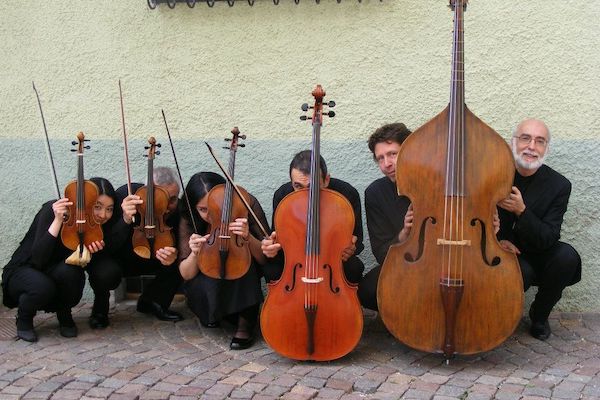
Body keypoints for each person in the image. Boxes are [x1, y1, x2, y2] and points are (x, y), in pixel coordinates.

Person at [2, 177, 127, 341]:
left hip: (55, 270)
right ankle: (24, 319)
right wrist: (58, 220)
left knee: (72, 273)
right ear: (86, 202)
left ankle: (64, 312)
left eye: (109, 209)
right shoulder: (54, 210)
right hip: (26, 269)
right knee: (42, 287)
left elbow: (100, 256)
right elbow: (38, 259)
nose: (103, 214)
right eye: (97, 207)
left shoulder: (92, 225)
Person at [497, 118, 581, 340]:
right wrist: (498, 241)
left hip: (538, 249)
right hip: (504, 252)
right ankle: (500, 317)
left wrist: (522, 211)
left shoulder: (559, 185)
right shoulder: (494, 174)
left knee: (567, 257)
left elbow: (549, 236)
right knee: (520, 271)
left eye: (540, 141)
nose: (532, 146)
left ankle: (540, 315)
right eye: (525, 138)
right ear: (513, 143)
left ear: (546, 148)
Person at [178, 172, 269, 350]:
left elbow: (265, 259)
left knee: (245, 264)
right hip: (207, 275)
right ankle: (215, 313)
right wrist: (195, 253)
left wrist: (247, 237)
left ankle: (245, 324)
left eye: (214, 207)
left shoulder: (243, 203)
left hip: (243, 272)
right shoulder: (189, 216)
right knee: (204, 280)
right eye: (203, 210)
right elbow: (186, 273)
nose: (210, 216)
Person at [261, 150, 364, 285]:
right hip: (295, 259)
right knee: (271, 269)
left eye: (313, 187)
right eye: (298, 186)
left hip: (332, 258)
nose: (306, 194)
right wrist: (271, 247)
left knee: (354, 268)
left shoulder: (346, 194)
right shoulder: (283, 195)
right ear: (291, 182)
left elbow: (357, 239)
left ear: (326, 180)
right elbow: (278, 238)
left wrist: (351, 248)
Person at [115, 167, 184, 322]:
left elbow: (184, 243)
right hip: (126, 258)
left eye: (172, 199)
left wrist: (175, 254)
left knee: (181, 259)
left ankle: (155, 301)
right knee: (106, 269)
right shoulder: (128, 196)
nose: (167, 207)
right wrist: (125, 219)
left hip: (157, 259)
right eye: (161, 198)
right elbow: (110, 243)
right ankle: (100, 309)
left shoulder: (179, 209)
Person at [358, 123, 413, 311]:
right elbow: (381, 253)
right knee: (368, 290)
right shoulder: (375, 193)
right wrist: (404, 233)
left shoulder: (436, 179)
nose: (386, 164)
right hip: (406, 263)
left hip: (445, 257)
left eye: (392, 154)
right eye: (380, 158)